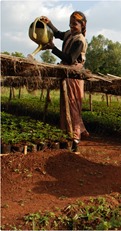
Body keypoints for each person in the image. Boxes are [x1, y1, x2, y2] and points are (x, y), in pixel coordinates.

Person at [40, 11, 89, 154]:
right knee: (65, 105)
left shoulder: (80, 40)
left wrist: (53, 48)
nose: (72, 26)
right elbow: (58, 34)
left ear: (82, 25)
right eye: (71, 23)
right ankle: (67, 132)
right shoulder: (70, 34)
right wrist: (49, 23)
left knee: (73, 106)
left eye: (75, 24)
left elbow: (70, 59)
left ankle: (75, 139)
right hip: (66, 75)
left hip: (74, 76)